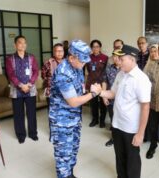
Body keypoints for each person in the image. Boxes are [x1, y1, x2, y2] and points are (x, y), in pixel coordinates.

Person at [49, 39, 102, 178]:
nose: (84, 63)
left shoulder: (76, 67)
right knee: (63, 155)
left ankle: (70, 174)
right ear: (71, 57)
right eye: (82, 61)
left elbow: (79, 90)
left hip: (74, 118)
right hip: (62, 121)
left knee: (72, 150)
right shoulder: (63, 73)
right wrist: (93, 93)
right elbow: (73, 102)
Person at [98, 45, 151, 178]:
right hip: (117, 124)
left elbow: (145, 107)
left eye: (121, 59)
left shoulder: (141, 79)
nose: (118, 62)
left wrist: (140, 133)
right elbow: (112, 93)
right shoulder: (121, 74)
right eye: (117, 59)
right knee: (119, 157)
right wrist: (99, 92)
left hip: (131, 128)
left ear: (132, 60)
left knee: (132, 160)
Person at [6, 35, 39, 144]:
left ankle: (33, 133)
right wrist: (21, 85)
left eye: (24, 42)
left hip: (30, 89)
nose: (23, 44)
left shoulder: (31, 57)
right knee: (18, 114)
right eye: (20, 42)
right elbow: (10, 74)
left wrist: (29, 84)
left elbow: (35, 71)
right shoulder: (10, 59)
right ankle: (21, 135)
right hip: (16, 91)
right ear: (15, 45)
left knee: (32, 113)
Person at [86, 39, 108, 128]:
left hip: (102, 83)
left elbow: (106, 71)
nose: (95, 48)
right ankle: (95, 119)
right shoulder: (88, 58)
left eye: (97, 46)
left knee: (103, 102)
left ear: (100, 47)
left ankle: (102, 120)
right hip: (92, 83)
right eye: (93, 47)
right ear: (91, 48)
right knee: (93, 103)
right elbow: (88, 70)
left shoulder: (105, 57)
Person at [102, 50, 121, 147]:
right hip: (111, 99)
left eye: (118, 56)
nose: (116, 58)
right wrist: (104, 96)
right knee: (113, 119)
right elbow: (104, 81)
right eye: (114, 56)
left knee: (122, 120)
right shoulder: (108, 68)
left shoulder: (125, 69)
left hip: (123, 101)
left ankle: (122, 139)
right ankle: (114, 138)